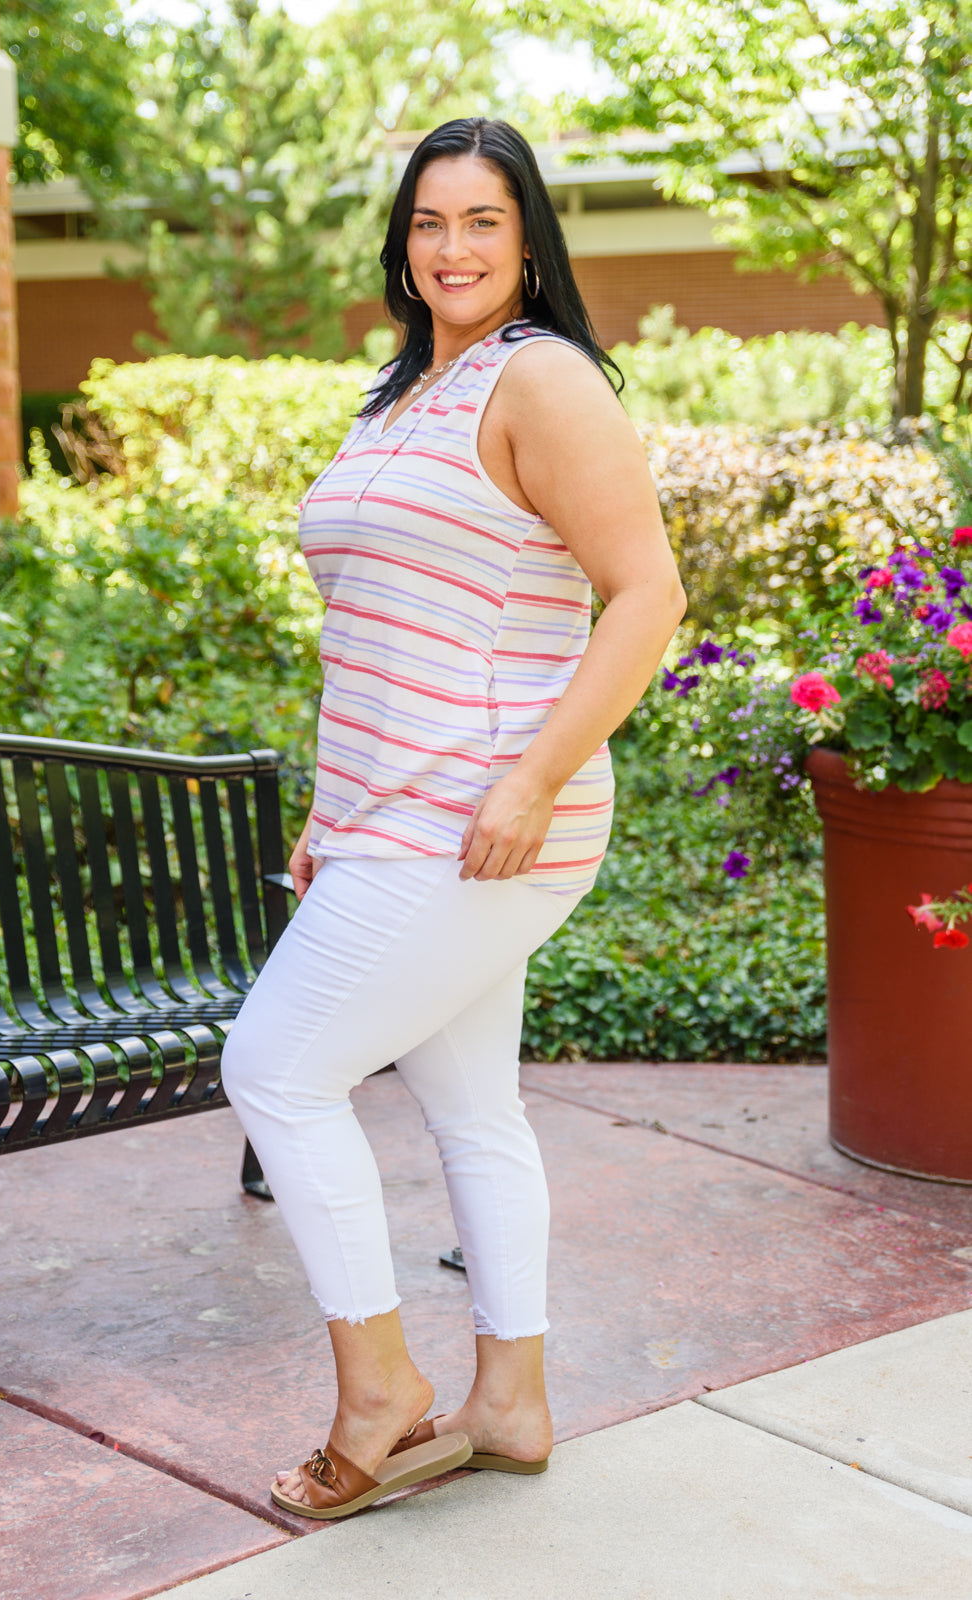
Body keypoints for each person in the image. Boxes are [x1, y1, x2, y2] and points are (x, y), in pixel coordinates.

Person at [219, 115, 685, 1521]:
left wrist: (533, 779)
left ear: (528, 240)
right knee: (477, 1111)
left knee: (275, 1070)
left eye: (483, 220)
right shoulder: (404, 393)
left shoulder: (543, 378)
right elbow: (372, 631)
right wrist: (330, 805)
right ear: (402, 242)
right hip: (393, 813)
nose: (453, 247)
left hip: (487, 819)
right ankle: (511, 1405)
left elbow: (649, 595)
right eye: (429, 221)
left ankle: (380, 1390)